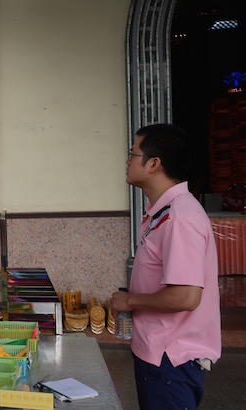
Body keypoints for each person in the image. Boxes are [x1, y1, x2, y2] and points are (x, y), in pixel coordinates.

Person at [111, 124, 221, 410]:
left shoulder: (180, 217)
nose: (127, 161)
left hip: (171, 359)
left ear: (154, 164)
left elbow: (186, 296)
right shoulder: (163, 212)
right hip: (159, 353)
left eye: (132, 154)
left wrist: (131, 300)